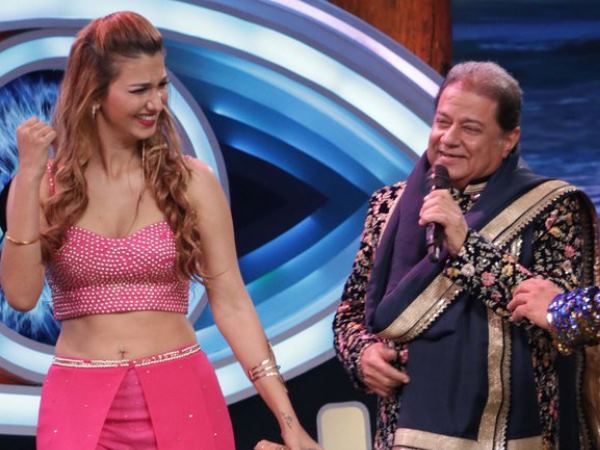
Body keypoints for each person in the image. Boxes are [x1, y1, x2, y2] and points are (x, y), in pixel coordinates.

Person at [0, 11, 321, 450]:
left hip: (182, 394)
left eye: (161, 85)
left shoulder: (191, 181)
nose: (156, 102)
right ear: (94, 93)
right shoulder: (43, 184)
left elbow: (232, 304)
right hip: (79, 403)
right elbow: (20, 295)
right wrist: (28, 177)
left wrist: (288, 420)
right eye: (139, 90)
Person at [333, 61, 600, 450]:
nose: (449, 139)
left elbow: (565, 323)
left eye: (470, 128)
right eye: (443, 122)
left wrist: (466, 246)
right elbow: (351, 313)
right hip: (405, 434)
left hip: (517, 437)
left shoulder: (552, 209)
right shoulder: (389, 206)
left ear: (508, 139)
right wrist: (362, 354)